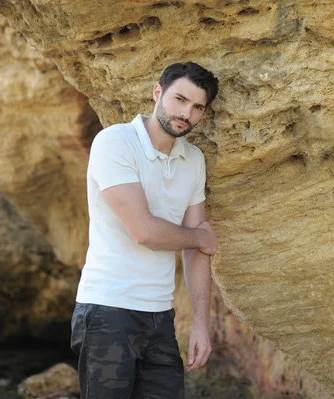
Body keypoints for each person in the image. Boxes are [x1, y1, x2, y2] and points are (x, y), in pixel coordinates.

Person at [70, 62, 220, 399]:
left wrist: (200, 325)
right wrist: (199, 237)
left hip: (159, 316)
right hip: (107, 311)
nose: (187, 113)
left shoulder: (193, 159)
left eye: (198, 107)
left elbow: (199, 249)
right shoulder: (115, 142)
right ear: (157, 92)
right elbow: (144, 231)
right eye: (180, 99)